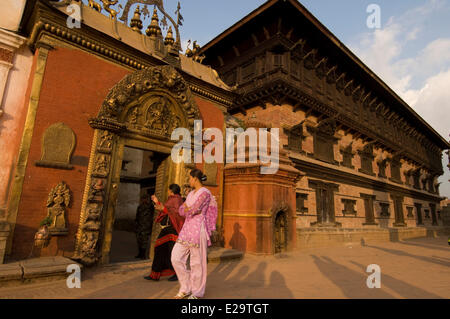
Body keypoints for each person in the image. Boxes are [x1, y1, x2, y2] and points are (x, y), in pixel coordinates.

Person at [171, 169, 218, 299]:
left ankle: (197, 292)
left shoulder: (205, 193)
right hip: (187, 229)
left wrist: (187, 209)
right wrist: (187, 209)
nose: (189, 181)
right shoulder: (191, 193)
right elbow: (182, 211)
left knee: (197, 262)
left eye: (190, 178)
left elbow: (194, 209)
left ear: (195, 179)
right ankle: (186, 287)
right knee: (175, 257)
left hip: (198, 229)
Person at [144, 184, 185, 281]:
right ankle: (155, 274)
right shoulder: (172, 199)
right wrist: (156, 202)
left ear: (171, 191)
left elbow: (177, 213)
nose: (167, 192)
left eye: (168, 190)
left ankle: (176, 273)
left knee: (170, 251)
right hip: (167, 229)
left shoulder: (177, 199)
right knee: (161, 249)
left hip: (173, 228)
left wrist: (163, 208)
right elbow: (166, 209)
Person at [134, 194, 154, 259]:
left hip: (146, 227)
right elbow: (137, 216)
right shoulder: (140, 207)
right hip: (139, 226)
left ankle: (143, 255)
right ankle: (140, 254)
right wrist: (136, 225)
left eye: (145, 199)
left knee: (144, 241)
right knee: (139, 240)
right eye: (143, 199)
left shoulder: (150, 207)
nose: (144, 200)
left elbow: (153, 216)